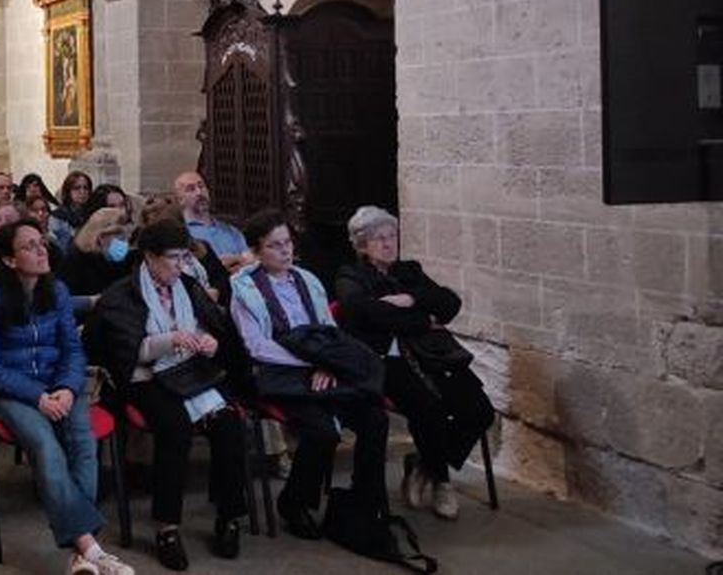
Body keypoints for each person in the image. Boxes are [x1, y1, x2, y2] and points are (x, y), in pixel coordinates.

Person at [0, 219, 133, 575]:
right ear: (9, 259)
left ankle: (81, 556)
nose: (41, 250)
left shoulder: (55, 291)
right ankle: (91, 548)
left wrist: (67, 388)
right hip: (5, 388)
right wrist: (38, 396)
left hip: (56, 384)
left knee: (83, 442)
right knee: (45, 444)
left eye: (41, 242)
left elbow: (73, 350)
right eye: (29, 246)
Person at [90, 219, 248, 568]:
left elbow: (216, 329)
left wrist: (211, 343)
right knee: (174, 428)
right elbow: (124, 354)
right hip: (144, 377)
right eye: (173, 258)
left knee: (228, 423)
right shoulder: (122, 295)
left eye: (185, 257)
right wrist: (169, 340)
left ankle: (229, 517)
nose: (181, 265)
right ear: (149, 256)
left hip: (191, 370)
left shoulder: (187, 285)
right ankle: (167, 527)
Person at [230, 210, 388, 540]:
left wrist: (329, 364)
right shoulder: (244, 289)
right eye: (274, 246)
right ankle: (294, 502)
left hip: (323, 368)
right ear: (256, 251)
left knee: (374, 418)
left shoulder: (307, 279)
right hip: (279, 374)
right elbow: (257, 346)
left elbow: (329, 330)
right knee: (322, 431)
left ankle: (364, 499)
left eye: (287, 243)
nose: (285, 251)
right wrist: (308, 363)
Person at [335, 205, 494, 520]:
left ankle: (424, 465)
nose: (388, 243)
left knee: (479, 411)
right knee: (429, 409)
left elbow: (449, 303)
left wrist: (412, 299)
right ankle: (442, 482)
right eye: (379, 238)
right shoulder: (350, 275)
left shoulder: (409, 272)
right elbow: (362, 313)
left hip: (430, 355)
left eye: (392, 236)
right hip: (388, 360)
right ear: (362, 245)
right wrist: (423, 319)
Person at [174, 171, 250, 300]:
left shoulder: (231, 231)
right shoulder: (181, 233)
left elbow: (250, 261)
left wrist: (238, 261)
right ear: (180, 200)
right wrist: (223, 267)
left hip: (242, 292)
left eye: (201, 186)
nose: (199, 192)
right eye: (190, 189)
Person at [59, 206, 134, 307]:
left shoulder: (122, 263)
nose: (125, 244)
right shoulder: (74, 263)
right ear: (101, 238)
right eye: (121, 238)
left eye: (127, 239)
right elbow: (64, 303)